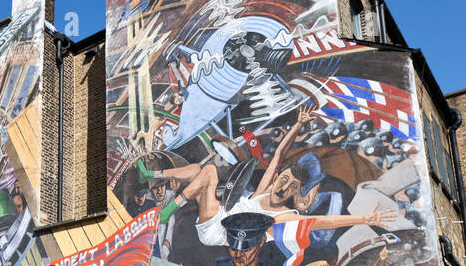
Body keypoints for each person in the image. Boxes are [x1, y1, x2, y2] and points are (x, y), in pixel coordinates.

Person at [139, 105, 399, 246]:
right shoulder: (264, 190)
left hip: (220, 232)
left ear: (296, 192)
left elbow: (319, 222)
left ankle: (167, 211)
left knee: (207, 171)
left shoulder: (283, 215)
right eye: (283, 180)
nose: (283, 187)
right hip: (219, 212)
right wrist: (298, 124)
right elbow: (279, 156)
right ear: (276, 179)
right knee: (198, 170)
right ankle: (152, 174)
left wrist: (363, 219)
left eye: (291, 186)